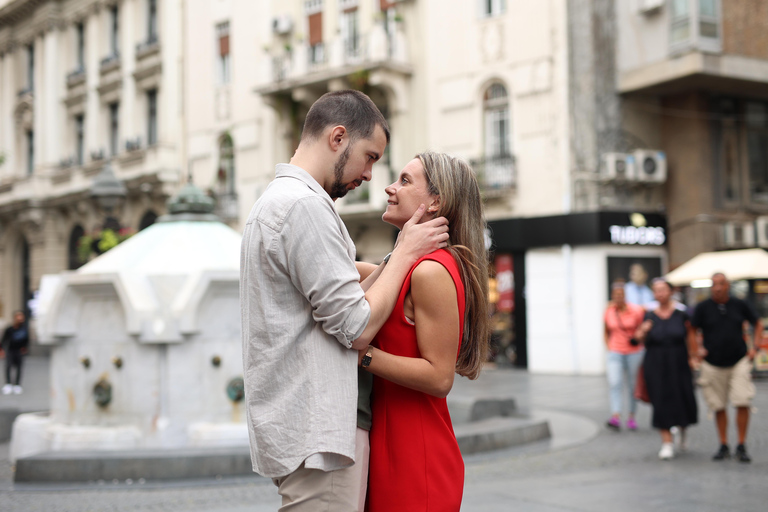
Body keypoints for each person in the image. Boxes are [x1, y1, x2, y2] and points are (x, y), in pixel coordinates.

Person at [240, 90, 450, 511]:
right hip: (319, 433)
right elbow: (355, 327)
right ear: (338, 138)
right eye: (370, 157)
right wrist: (406, 251)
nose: (372, 175)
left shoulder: (284, 201)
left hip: (307, 430)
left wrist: (384, 266)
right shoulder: (303, 206)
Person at [359, 152, 490, 511]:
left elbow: (439, 376)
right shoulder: (407, 267)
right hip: (390, 446)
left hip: (417, 457)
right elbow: (347, 276)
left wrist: (363, 355)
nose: (389, 188)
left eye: (404, 180)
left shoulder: (430, 272)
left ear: (435, 201)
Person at [691, 273, 763, 463]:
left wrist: (754, 348)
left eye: (721, 284)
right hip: (712, 363)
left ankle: (741, 444)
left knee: (742, 401)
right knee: (718, 405)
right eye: (714, 284)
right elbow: (691, 329)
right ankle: (723, 444)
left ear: (728, 286)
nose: (717, 288)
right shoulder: (703, 307)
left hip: (738, 360)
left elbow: (758, 323)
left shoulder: (740, 304)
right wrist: (696, 350)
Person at [635, 279, 698, 460]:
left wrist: (694, 356)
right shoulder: (649, 314)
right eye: (656, 291)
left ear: (671, 292)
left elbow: (691, 335)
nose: (659, 294)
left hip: (678, 361)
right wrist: (644, 330)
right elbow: (636, 338)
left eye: (663, 290)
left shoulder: (682, 313)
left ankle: (682, 429)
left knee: (681, 398)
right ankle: (667, 442)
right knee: (660, 400)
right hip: (655, 362)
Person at [603, 281, 645, 431]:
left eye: (621, 294)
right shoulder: (609, 311)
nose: (619, 297)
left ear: (625, 295)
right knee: (615, 383)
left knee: (633, 385)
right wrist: (609, 346)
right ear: (612, 296)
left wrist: (639, 339)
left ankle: (632, 417)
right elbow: (606, 330)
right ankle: (615, 416)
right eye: (616, 295)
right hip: (615, 351)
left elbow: (643, 328)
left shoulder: (636, 310)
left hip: (634, 351)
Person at [2, 310, 29, 395]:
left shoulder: (24, 329)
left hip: (19, 351)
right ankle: (8, 384)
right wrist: (1, 349)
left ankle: (17, 385)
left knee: (19, 368)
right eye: (18, 316)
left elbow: (27, 340)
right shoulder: (9, 329)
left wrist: (25, 348)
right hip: (10, 350)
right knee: (8, 366)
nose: (20, 319)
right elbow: (3, 340)